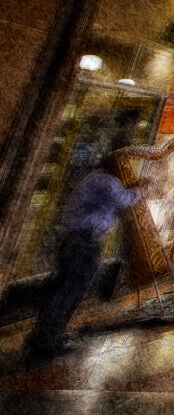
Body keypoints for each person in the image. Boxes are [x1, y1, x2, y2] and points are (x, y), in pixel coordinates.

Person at [24, 152, 139, 358]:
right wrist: (140, 190)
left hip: (73, 241)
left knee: (62, 289)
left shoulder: (93, 178)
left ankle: (43, 336)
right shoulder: (107, 181)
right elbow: (123, 200)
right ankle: (47, 343)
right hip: (84, 243)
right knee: (70, 292)